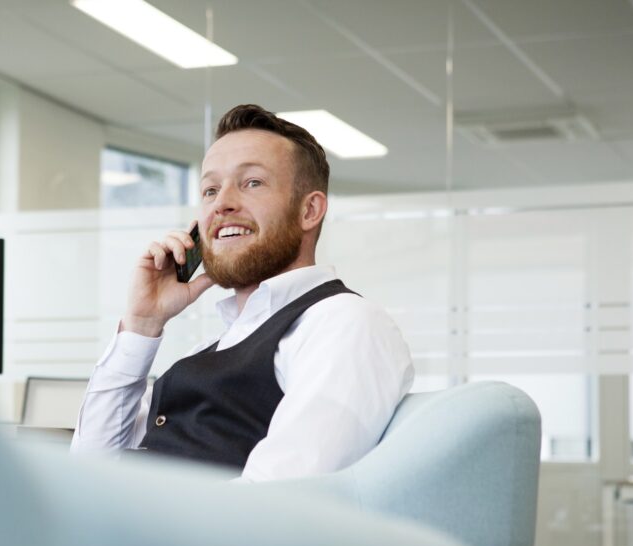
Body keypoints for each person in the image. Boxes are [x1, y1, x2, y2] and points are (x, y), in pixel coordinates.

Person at [71, 104, 413, 481]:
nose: (222, 204)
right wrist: (141, 325)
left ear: (309, 210)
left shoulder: (344, 323)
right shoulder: (212, 347)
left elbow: (282, 499)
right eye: (210, 190)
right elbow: (90, 471)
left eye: (252, 183)